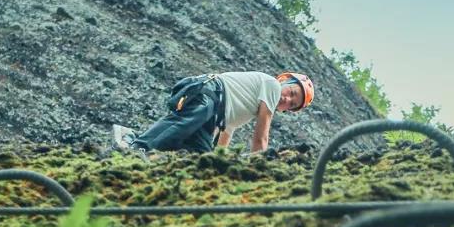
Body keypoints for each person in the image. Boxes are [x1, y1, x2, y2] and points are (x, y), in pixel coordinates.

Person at [114, 71, 314, 155]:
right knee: (187, 122)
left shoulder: (244, 108)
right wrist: (258, 168)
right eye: (291, 92)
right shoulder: (271, 85)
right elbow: (261, 139)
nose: (286, 99)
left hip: (214, 115)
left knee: (200, 157)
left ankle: (146, 153)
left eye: (291, 103)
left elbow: (225, 134)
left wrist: (218, 160)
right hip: (209, 93)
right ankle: (136, 144)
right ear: (283, 82)